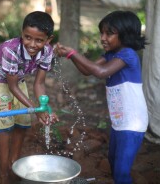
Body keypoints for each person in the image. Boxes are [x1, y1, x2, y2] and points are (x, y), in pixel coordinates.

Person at [55, 10, 148, 184]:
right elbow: (87, 71)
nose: (103, 37)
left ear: (126, 34)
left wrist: (73, 53)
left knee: (121, 172)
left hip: (133, 123)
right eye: (102, 33)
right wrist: (69, 55)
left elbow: (100, 72)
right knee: (113, 162)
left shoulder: (128, 54)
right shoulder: (111, 55)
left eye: (109, 33)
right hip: (119, 122)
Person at [0, 11, 58, 184]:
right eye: (27, 37)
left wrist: (44, 108)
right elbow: (11, 86)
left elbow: (39, 84)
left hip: (18, 78)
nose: (32, 44)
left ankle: (14, 163)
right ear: (22, 33)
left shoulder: (47, 52)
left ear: (48, 39)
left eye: (39, 40)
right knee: (4, 122)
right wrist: (36, 110)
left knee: (23, 119)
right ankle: (3, 171)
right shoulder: (11, 49)